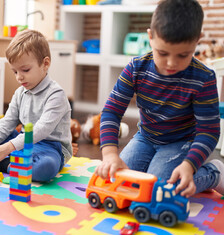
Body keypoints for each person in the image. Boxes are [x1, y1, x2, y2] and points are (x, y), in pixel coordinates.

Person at [95, 0, 224, 198]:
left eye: (183, 55)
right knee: (120, 182)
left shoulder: (203, 77)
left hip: (181, 143)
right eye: (163, 53)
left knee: (158, 192)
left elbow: (209, 131)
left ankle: (213, 173)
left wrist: (189, 165)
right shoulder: (136, 68)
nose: (171, 63)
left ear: (196, 41)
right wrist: (110, 154)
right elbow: (112, 111)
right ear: (151, 37)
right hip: (145, 137)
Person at [0, 29, 73, 182]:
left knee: (46, 167)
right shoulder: (20, 92)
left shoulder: (56, 95)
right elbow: (7, 123)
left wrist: (6, 149)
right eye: (15, 71)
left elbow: (41, 131)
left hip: (49, 148)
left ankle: (1, 163)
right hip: (21, 142)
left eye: (25, 70)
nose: (19, 77)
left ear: (45, 64)